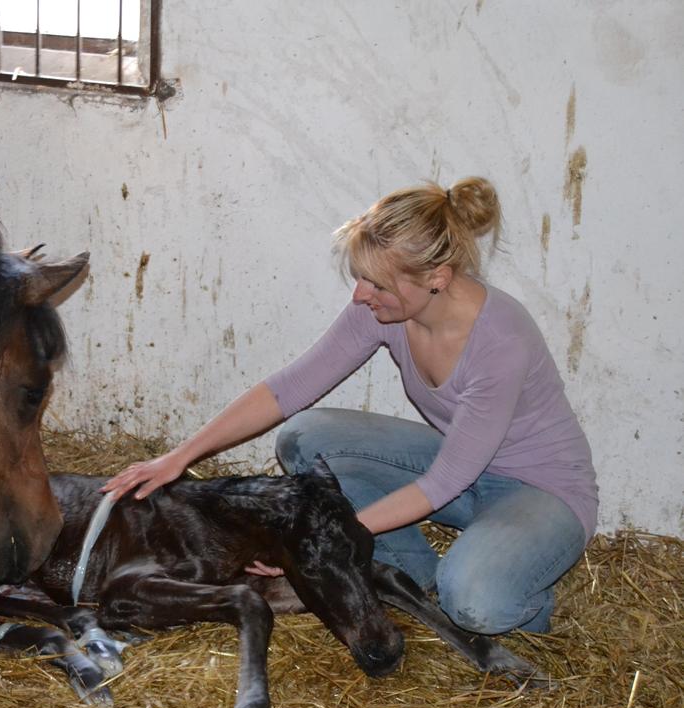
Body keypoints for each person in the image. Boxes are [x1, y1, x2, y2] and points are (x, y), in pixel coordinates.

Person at [102, 177, 597, 635]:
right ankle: (411, 574)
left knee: (472, 602)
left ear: (438, 278)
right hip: (460, 465)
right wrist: (179, 457)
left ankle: (515, 589)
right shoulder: (384, 309)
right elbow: (289, 388)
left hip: (539, 490)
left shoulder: (500, 341)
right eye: (361, 277)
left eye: (377, 284)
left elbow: (443, 483)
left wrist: (321, 540)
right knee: (305, 437)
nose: (361, 295)